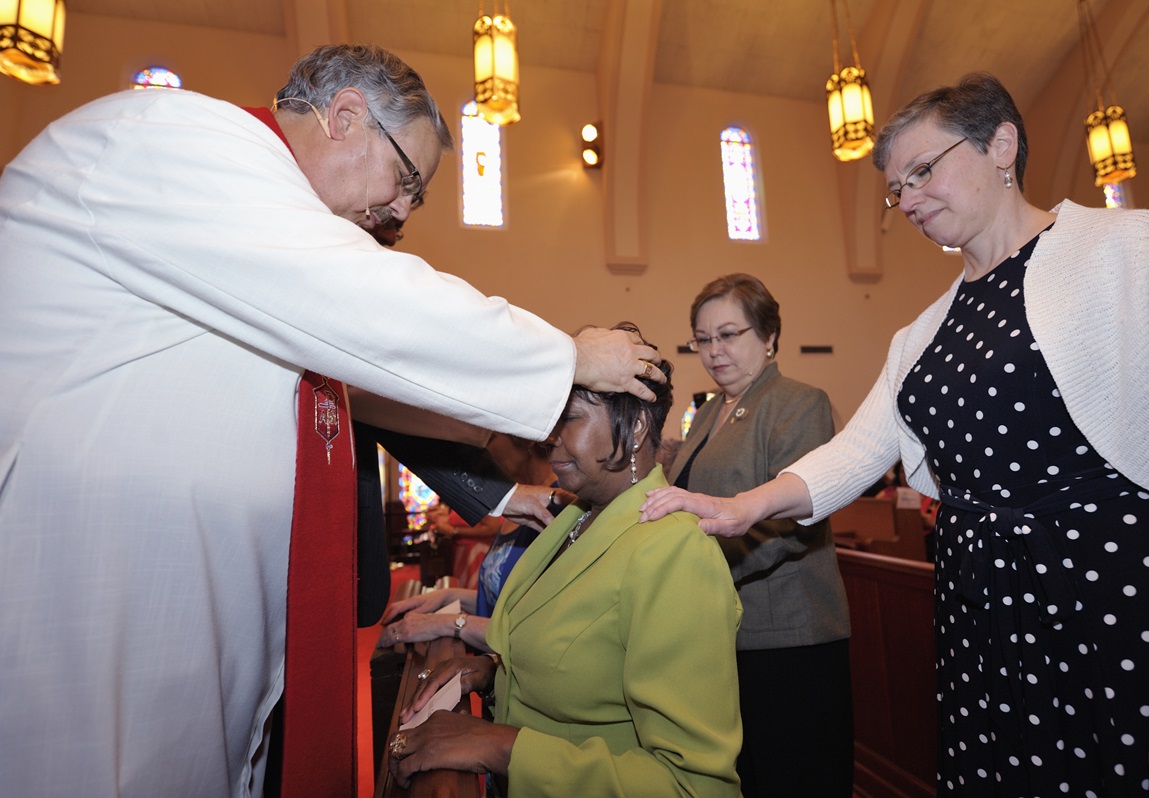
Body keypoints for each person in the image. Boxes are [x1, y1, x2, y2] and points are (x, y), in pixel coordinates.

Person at [0, 44, 664, 798]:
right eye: (407, 180)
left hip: (181, 617)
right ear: (345, 116)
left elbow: (359, 384)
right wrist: (566, 356)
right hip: (91, 591)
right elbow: (372, 303)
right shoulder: (176, 139)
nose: (403, 212)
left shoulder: (260, 247)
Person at [642, 72, 1149, 797]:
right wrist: (742, 507)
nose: (905, 200)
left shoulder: (1133, 248)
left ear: (1002, 143)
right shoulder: (923, 332)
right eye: (895, 188)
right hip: (982, 619)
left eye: (922, 171)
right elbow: (856, 450)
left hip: (1106, 603)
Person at [389, 325, 743, 797]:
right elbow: (582, 662)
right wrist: (497, 674)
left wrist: (501, 746)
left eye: (569, 418)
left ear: (635, 427)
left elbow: (692, 786)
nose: (548, 439)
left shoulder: (675, 552)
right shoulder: (573, 517)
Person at [668, 273, 853, 796]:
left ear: (769, 335)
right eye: (702, 339)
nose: (713, 350)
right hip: (724, 629)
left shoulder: (798, 401)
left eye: (728, 334)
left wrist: (696, 576)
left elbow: (790, 522)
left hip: (787, 631)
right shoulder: (705, 412)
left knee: (792, 776)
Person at [376, 434, 563, 650]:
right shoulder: (517, 501)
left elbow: (536, 632)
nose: (483, 449)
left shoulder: (555, 505)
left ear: (524, 438)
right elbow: (502, 604)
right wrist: (447, 596)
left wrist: (445, 624)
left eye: (490, 437)